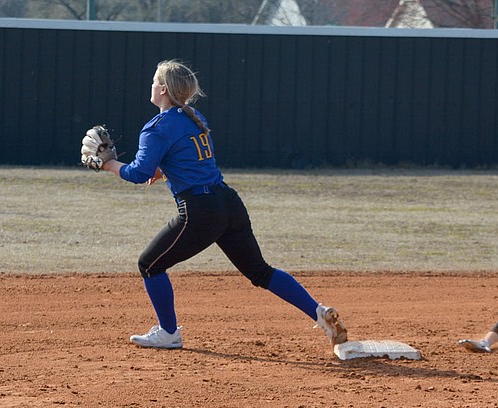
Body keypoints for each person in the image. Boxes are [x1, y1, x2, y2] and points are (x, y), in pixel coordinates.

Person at [96, 59, 347, 349]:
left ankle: (169, 333)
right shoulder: (194, 115)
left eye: (154, 81)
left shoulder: (156, 127)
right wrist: (163, 169)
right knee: (260, 272)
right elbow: (189, 157)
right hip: (229, 203)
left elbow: (138, 173)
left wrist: (109, 164)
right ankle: (318, 312)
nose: (151, 86)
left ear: (163, 89)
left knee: (150, 265)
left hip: (200, 211)